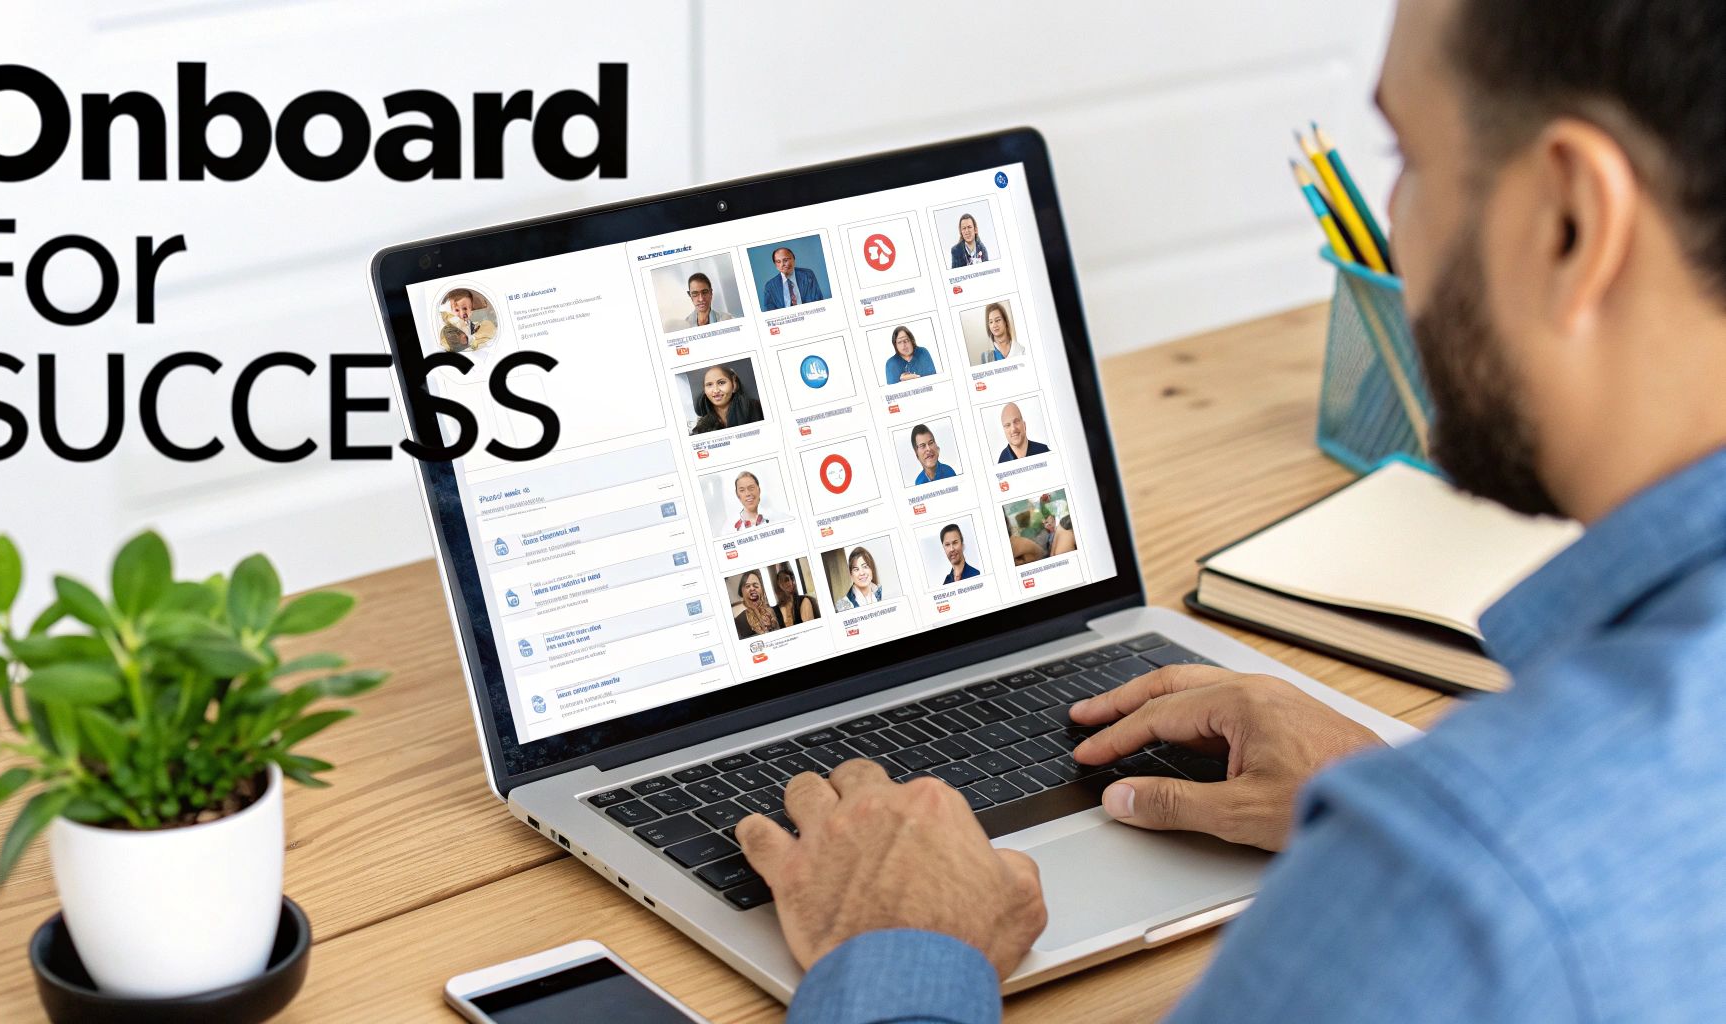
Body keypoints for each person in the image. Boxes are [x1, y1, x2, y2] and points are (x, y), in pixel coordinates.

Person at [736, 1, 1726, 1020]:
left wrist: (903, 951)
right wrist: (1386, 782)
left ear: (1567, 221)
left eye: (1409, 154)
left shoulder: (1447, 892)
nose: (1393, 224)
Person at [690, 364, 763, 435]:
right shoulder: (701, 428)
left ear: (734, 384)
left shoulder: (756, 408)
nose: (715, 390)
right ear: (705, 390)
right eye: (709, 385)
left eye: (721, 383)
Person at [761, 246, 826, 309]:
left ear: (793, 260)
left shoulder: (807, 275)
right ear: (775, 265)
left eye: (785, 260)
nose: (782, 264)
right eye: (778, 262)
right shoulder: (770, 286)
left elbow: (818, 301)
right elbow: (770, 312)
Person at [437, 288, 496, 353]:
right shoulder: (452, 322)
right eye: (457, 310)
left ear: (471, 310)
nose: (461, 313)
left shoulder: (471, 321)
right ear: (451, 310)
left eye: (465, 309)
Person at [731, 570, 781, 640]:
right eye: (747, 586)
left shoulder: (774, 611)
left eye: (756, 586)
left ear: (762, 590)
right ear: (742, 592)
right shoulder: (738, 621)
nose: (752, 588)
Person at [833, 547, 887, 612]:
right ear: (851, 574)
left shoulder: (881, 591)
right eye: (856, 569)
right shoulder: (843, 605)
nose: (862, 573)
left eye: (865, 567)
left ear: (872, 569)